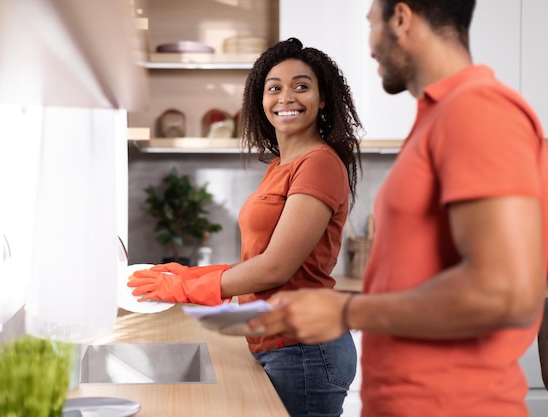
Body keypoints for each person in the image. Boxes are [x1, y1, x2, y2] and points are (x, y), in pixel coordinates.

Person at [247, 1, 548, 416]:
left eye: (371, 23)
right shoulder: (438, 118)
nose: (369, 46)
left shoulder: (478, 111)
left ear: (401, 18)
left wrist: (347, 309)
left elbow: (502, 293)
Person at [131, 37, 364, 417]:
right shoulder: (279, 167)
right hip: (278, 342)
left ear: (323, 99)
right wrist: (189, 273)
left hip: (305, 349)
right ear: (261, 99)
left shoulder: (318, 163)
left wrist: (190, 287)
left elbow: (277, 268)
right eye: (274, 88)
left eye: (301, 86)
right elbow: (259, 258)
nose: (285, 97)